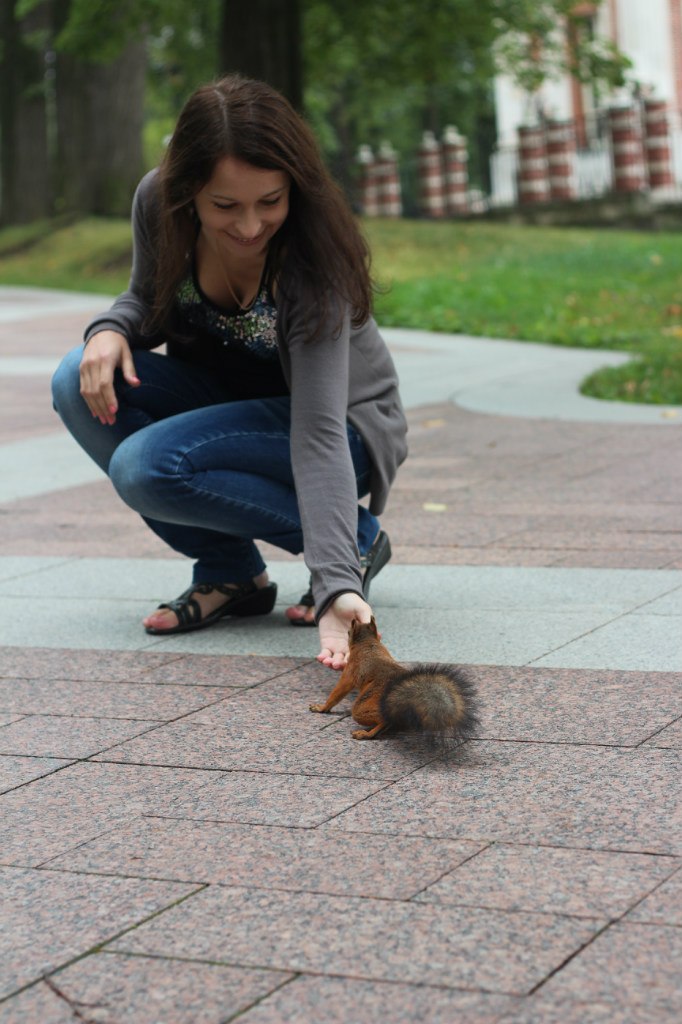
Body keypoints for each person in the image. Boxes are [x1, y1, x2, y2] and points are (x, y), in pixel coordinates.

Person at [51, 73, 407, 669]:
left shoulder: (312, 264)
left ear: (294, 186)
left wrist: (332, 582)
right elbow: (144, 298)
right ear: (189, 191)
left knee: (146, 467)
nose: (248, 227)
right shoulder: (157, 202)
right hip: (222, 405)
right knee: (75, 379)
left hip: (339, 427)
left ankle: (351, 543)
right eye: (225, 206)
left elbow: (317, 433)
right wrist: (109, 330)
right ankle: (231, 573)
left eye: (270, 202)